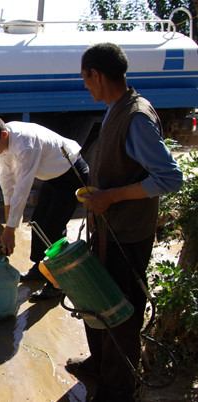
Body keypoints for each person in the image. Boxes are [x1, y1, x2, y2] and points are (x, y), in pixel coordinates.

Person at [64, 42, 184, 402]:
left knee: (120, 312)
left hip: (128, 235)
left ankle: (118, 389)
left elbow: (169, 178)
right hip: (109, 230)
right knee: (97, 299)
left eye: (86, 79)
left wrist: (111, 196)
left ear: (96, 75)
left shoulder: (136, 117)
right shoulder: (117, 109)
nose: (86, 86)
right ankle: (100, 364)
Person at [0, 114, 90, 301]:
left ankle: (57, 285)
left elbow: (22, 188)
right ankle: (40, 268)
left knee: (53, 229)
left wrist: (11, 230)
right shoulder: (3, 142)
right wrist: (9, 225)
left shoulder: (25, 144)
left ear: (3, 134)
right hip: (52, 176)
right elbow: (7, 180)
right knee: (38, 222)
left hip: (71, 173)